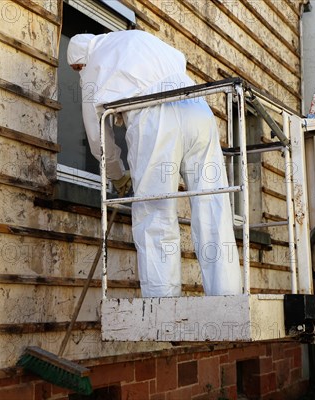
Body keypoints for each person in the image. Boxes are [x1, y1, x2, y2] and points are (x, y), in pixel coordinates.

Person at [67, 30, 242, 298]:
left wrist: (117, 175)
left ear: (80, 61)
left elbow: (97, 134)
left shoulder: (94, 63)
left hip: (156, 115)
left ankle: (162, 301)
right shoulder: (132, 38)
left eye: (77, 68)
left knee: (155, 210)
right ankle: (227, 295)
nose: (79, 73)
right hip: (197, 107)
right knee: (212, 204)